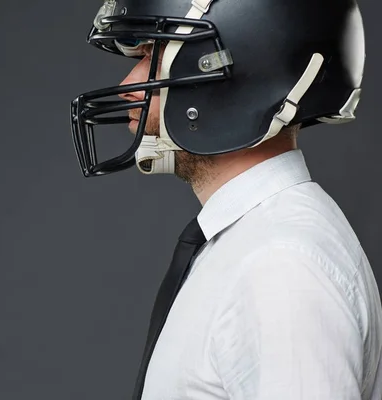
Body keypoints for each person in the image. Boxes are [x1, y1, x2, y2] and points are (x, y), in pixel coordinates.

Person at [70, 0, 382, 399]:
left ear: (228, 71)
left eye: (151, 57)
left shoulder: (281, 266)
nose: (125, 86)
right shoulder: (255, 245)